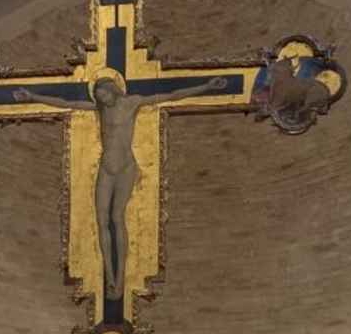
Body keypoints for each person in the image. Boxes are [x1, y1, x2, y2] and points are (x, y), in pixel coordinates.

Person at [15, 74, 228, 298]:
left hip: (126, 168)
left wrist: (206, 86)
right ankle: (110, 276)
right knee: (101, 220)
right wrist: (32, 96)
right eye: (98, 97)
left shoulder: (132, 102)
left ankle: (121, 278)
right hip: (106, 169)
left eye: (104, 95)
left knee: (117, 218)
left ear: (113, 90)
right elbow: (67, 104)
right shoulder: (100, 109)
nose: (102, 100)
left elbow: (171, 96)